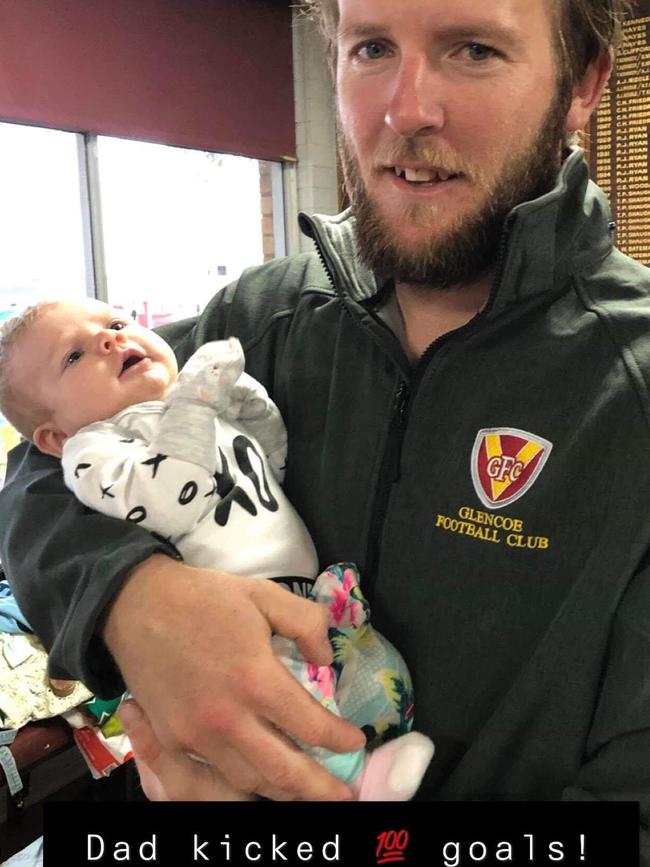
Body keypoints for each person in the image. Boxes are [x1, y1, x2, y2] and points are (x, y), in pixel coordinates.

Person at [0, 0, 648, 849]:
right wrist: (127, 595)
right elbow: (41, 468)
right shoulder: (263, 317)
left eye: (475, 49)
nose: (405, 108)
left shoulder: (630, 399)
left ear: (583, 82)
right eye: (372, 47)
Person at [0, 299, 434, 800]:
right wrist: (198, 401)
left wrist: (244, 400)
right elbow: (172, 500)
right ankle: (359, 781)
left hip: (304, 595)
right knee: (291, 714)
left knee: (369, 673)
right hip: (236, 617)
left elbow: (270, 458)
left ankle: (376, 745)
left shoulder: (185, 405)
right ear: (53, 438)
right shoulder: (94, 448)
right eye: (73, 357)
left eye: (117, 324)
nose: (110, 339)